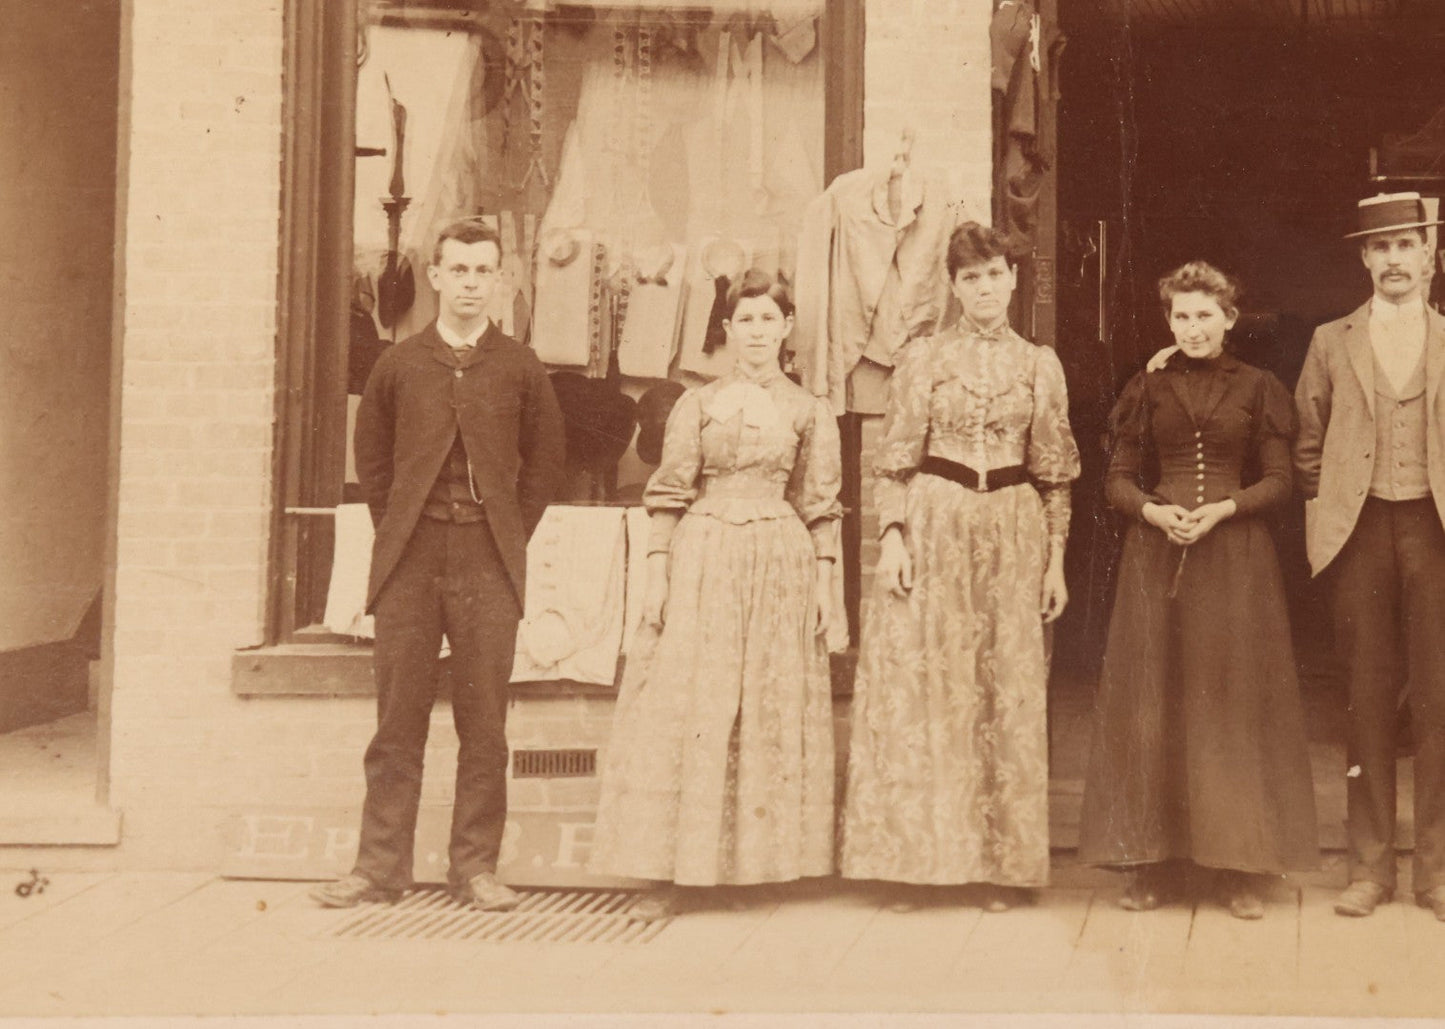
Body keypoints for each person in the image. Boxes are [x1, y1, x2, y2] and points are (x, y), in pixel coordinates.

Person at [311, 219, 566, 910]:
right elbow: (373, 463)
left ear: (500, 279)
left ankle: (474, 868)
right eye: (458, 270)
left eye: (483, 271)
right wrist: (404, 528)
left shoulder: (519, 366)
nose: (470, 284)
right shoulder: (398, 365)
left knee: (484, 723)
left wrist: (505, 529)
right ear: (436, 276)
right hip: (411, 559)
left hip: (488, 558)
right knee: (397, 720)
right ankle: (377, 868)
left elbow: (544, 464)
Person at [589, 269, 842, 922]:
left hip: (777, 561)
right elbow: (670, 490)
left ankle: (760, 869)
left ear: (787, 328)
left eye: (768, 319)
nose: (756, 332)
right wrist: (657, 574)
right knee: (692, 703)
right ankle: (679, 871)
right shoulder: (695, 406)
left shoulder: (809, 410)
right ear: (727, 331)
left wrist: (826, 587)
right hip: (703, 556)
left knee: (764, 702)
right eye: (745, 320)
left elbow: (819, 506)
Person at [840, 221, 1080, 908]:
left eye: (994, 273)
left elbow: (1055, 474)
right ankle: (914, 864)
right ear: (953, 284)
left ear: (1012, 279)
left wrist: (1055, 563)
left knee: (997, 690)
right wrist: (891, 537)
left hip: (1012, 528)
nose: (983, 287)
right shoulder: (923, 359)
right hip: (933, 520)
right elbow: (893, 460)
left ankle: (995, 868)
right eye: (969, 276)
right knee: (924, 691)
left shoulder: (1039, 365)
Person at [1077, 261, 1319, 919]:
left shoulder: (1260, 387)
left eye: (1203, 315)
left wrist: (1223, 510)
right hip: (1155, 559)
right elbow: (1116, 480)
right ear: (1169, 320)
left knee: (1230, 706)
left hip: (1237, 561)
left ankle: (1238, 868)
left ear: (1228, 318)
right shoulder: (1146, 387)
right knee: (1157, 700)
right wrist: (1153, 511)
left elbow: (1279, 480)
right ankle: (1153, 865)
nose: (1191, 328)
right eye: (1180, 316)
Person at [1294, 192, 1445, 921]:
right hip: (1358, 534)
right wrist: (1335, 507)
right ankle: (1368, 867)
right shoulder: (1331, 341)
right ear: (1363, 257)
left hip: (1435, 531)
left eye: (1404, 245)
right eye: (1378, 248)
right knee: (1365, 698)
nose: (1392, 260)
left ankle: (1436, 872)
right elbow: (1306, 441)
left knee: (1441, 701)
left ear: (1427, 253)